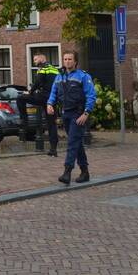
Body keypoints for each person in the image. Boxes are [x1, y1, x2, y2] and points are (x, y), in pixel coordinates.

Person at [47, 50, 97, 185]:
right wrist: (50, 104)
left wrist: (86, 113)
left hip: (78, 114)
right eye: (65, 59)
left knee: (72, 142)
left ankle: (67, 172)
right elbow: (53, 92)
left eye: (70, 59)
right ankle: (85, 172)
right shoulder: (59, 77)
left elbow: (91, 95)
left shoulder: (83, 76)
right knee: (76, 143)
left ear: (75, 61)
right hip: (66, 114)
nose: (67, 61)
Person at [17, 53, 60, 155]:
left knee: (20, 98)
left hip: (43, 97)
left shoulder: (43, 68)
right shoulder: (55, 69)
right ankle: (53, 149)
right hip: (52, 100)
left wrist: (30, 92)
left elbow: (37, 83)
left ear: (42, 59)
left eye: (36, 59)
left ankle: (24, 121)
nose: (34, 62)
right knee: (51, 124)